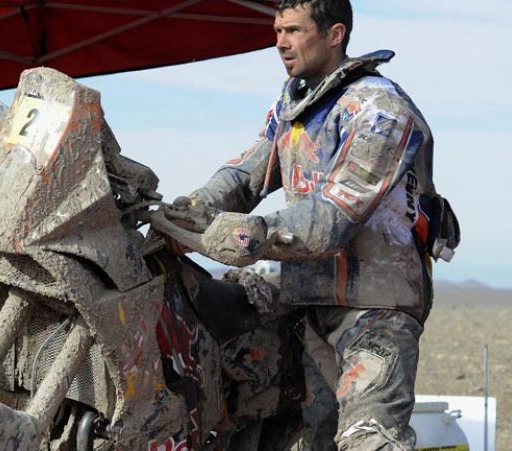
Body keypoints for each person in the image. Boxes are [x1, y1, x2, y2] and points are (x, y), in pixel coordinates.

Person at [172, 1, 459, 449]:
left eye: (293, 30)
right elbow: (247, 173)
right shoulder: (294, 107)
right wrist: (191, 209)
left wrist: (251, 233)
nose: (280, 42)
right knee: (307, 436)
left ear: (334, 33)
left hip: (375, 308)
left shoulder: (379, 109)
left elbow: (334, 215)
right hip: (310, 302)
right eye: (277, 30)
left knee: (370, 439)